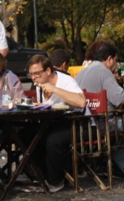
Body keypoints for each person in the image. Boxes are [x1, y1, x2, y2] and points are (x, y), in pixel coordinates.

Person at [75, 42, 124, 172]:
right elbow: (121, 99)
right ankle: (117, 164)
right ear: (109, 59)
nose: (116, 65)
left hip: (81, 125)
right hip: (100, 125)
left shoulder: (81, 72)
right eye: (116, 60)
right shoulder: (104, 72)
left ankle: (106, 160)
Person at [23, 54, 85, 193]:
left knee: (53, 140)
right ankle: (40, 177)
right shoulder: (39, 85)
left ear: (48, 71)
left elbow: (81, 102)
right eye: (31, 74)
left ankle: (56, 182)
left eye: (37, 73)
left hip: (76, 124)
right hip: (51, 122)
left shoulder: (65, 81)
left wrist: (55, 90)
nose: (33, 78)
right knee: (25, 135)